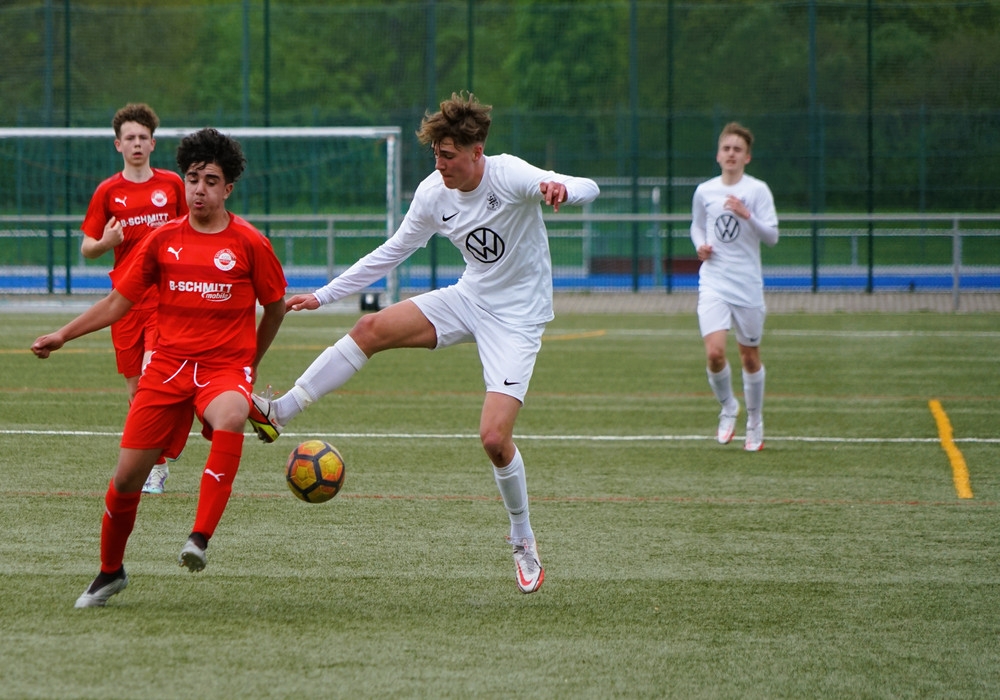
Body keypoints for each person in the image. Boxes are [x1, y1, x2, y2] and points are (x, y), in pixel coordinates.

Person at [248, 92, 600, 594]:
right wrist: (325, 295)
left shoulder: (509, 174)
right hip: (470, 297)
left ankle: (522, 537)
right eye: (435, 154)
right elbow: (391, 251)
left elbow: (588, 187)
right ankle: (278, 412)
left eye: (448, 155)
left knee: (494, 440)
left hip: (518, 320)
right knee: (369, 329)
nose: (439, 165)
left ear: (476, 151)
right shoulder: (434, 192)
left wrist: (559, 188)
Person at [32, 128, 287, 608]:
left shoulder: (251, 243)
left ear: (228, 188)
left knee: (232, 414)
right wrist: (62, 335)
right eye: (192, 178)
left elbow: (274, 308)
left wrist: (248, 365)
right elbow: (117, 302)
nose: (199, 189)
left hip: (222, 369)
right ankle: (110, 572)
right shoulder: (162, 240)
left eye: (211, 181)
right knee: (126, 480)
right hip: (167, 369)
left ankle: (199, 538)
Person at [81, 103, 188, 494]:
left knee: (153, 378)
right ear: (118, 145)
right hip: (125, 303)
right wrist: (106, 241)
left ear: (153, 143)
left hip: (166, 299)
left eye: (143, 137)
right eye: (130, 138)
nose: (137, 143)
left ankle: (161, 455)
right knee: (136, 391)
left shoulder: (172, 185)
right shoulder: (108, 192)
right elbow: (87, 247)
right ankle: (158, 462)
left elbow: (193, 227)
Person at [690, 122, 779, 451]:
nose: (731, 154)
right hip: (713, 281)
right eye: (726, 148)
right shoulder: (705, 191)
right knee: (714, 354)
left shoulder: (757, 191)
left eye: (737, 149)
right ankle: (728, 406)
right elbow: (697, 226)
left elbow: (772, 236)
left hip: (747, 284)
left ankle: (755, 420)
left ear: (747, 157)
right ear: (718, 155)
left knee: (749, 358)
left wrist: (747, 215)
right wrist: (700, 246)